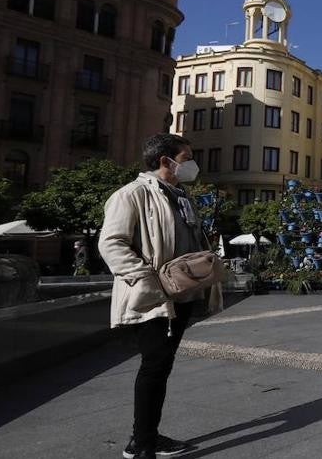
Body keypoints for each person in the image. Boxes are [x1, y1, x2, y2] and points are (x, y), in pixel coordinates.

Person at [99, 133, 222, 459]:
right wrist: (147, 280)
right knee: (154, 366)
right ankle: (143, 447)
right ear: (166, 161)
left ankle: (145, 434)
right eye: (187, 158)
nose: (192, 165)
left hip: (180, 295)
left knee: (161, 367)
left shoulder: (181, 195)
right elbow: (111, 244)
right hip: (150, 297)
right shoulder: (131, 195)